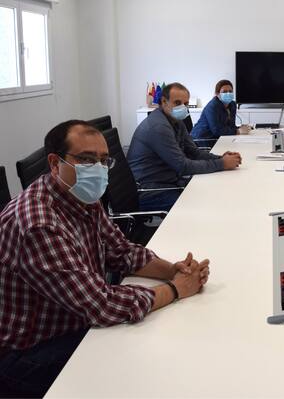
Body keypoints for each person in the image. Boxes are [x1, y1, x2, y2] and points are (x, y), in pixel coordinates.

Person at [0, 120, 210, 397]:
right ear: (55, 163)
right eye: (86, 159)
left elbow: (121, 252)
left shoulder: (80, 196)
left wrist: (174, 269)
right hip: (31, 353)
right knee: (147, 368)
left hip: (75, 318)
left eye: (103, 161)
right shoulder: (38, 223)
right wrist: (176, 289)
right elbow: (101, 305)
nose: (97, 169)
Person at [127, 82, 242, 212]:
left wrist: (221, 158)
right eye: (177, 103)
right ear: (164, 102)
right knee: (205, 204)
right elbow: (183, 166)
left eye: (186, 104)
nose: (183, 107)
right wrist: (222, 163)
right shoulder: (158, 127)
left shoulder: (176, 121)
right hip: (150, 190)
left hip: (169, 181)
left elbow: (193, 152)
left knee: (214, 191)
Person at [191, 79, 251, 147]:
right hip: (203, 140)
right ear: (217, 94)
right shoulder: (212, 106)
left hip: (218, 138)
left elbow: (231, 126)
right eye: (224, 91)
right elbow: (217, 130)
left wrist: (240, 128)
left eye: (230, 91)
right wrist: (238, 131)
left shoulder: (233, 104)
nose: (228, 93)